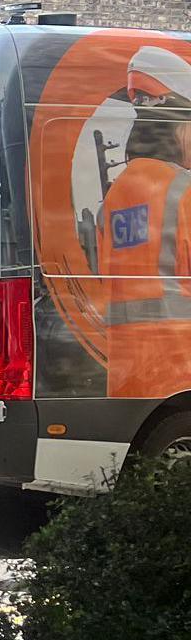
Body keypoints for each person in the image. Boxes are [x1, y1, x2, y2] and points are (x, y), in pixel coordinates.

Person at [94, 73, 191, 399]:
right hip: (180, 362)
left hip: (126, 363)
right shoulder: (184, 189)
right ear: (177, 132)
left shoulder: (115, 194)